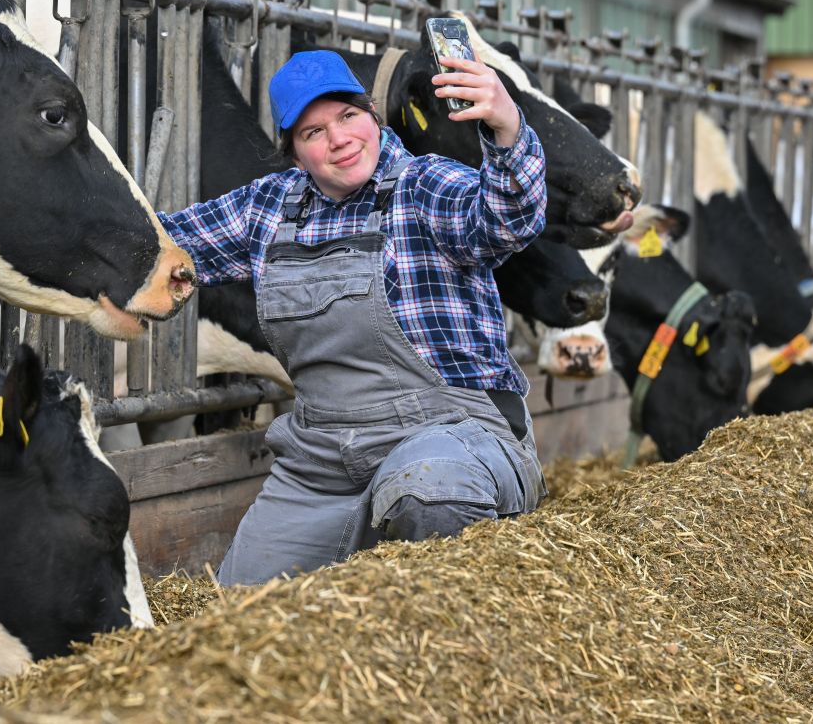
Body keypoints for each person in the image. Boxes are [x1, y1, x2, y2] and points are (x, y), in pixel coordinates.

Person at [159, 46, 548, 586]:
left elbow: (506, 220)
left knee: (429, 493)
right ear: (294, 153)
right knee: (240, 618)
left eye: (347, 117)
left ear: (372, 116)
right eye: (313, 132)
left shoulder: (423, 186)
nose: (339, 139)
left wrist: (506, 129)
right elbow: (157, 246)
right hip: (322, 461)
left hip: (452, 435)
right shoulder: (268, 207)